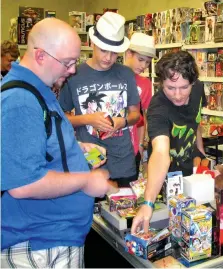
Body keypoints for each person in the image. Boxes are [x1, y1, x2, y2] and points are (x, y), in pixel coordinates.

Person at [1, 18, 116, 268]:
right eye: (68, 62)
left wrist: (76, 149)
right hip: (40, 245)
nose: (73, 70)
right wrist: (87, 180)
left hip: (52, 240)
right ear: (40, 55)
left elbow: (40, 147)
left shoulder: (39, 90)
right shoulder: (20, 100)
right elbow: (24, 184)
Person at [59, 12, 141, 188]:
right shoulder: (75, 75)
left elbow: (136, 114)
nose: (108, 58)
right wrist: (88, 119)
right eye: (104, 50)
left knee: (125, 212)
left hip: (123, 162)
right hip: (90, 162)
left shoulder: (125, 74)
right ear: (93, 44)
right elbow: (62, 118)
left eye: (114, 53)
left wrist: (123, 121)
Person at [131, 51, 207, 233]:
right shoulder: (158, 108)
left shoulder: (198, 89)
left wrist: (201, 154)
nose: (178, 95)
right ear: (160, 83)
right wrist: (148, 202)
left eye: (184, 87)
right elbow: (159, 152)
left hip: (191, 176)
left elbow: (196, 123)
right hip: (163, 183)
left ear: (193, 82)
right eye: (170, 88)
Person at [124, 32, 156, 177]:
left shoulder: (145, 84)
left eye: (148, 62)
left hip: (133, 148)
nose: (144, 66)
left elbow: (143, 119)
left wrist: (141, 146)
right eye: (140, 59)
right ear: (128, 53)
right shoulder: (113, 77)